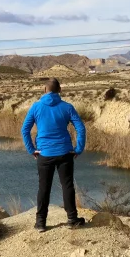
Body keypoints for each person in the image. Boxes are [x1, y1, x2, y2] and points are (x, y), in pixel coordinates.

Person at [21, 77, 87, 232]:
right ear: (60, 90)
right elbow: (81, 128)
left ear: (45, 90)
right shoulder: (67, 107)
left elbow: (24, 130)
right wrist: (78, 149)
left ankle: (41, 223)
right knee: (67, 185)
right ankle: (72, 219)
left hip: (44, 154)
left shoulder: (36, 107)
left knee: (44, 187)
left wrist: (32, 150)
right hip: (65, 153)